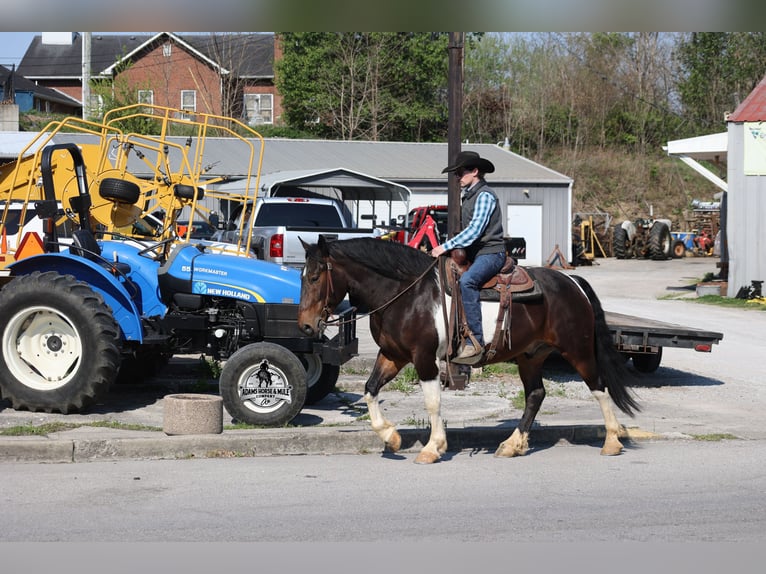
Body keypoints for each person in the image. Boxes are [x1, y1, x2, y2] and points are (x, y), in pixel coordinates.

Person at [431, 151, 507, 364]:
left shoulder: (484, 195)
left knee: (468, 281)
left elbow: (474, 231)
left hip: (491, 253)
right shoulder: (470, 195)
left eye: (460, 172)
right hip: (477, 253)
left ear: (475, 171)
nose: (457, 176)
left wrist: (443, 247)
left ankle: (475, 341)